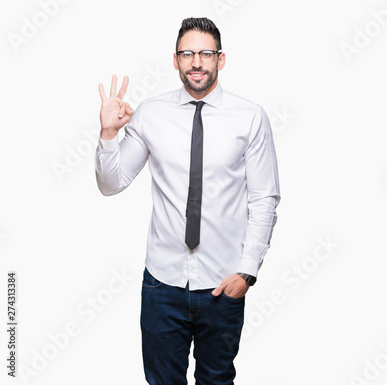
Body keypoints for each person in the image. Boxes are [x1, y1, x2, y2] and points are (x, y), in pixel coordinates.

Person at [94, 17, 280, 385]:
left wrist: (246, 272)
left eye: (206, 53)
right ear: (175, 60)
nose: (197, 62)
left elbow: (264, 199)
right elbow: (111, 184)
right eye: (188, 53)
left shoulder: (250, 117)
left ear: (220, 60)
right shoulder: (151, 113)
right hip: (162, 285)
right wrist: (108, 133)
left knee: (217, 380)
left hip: (222, 283)